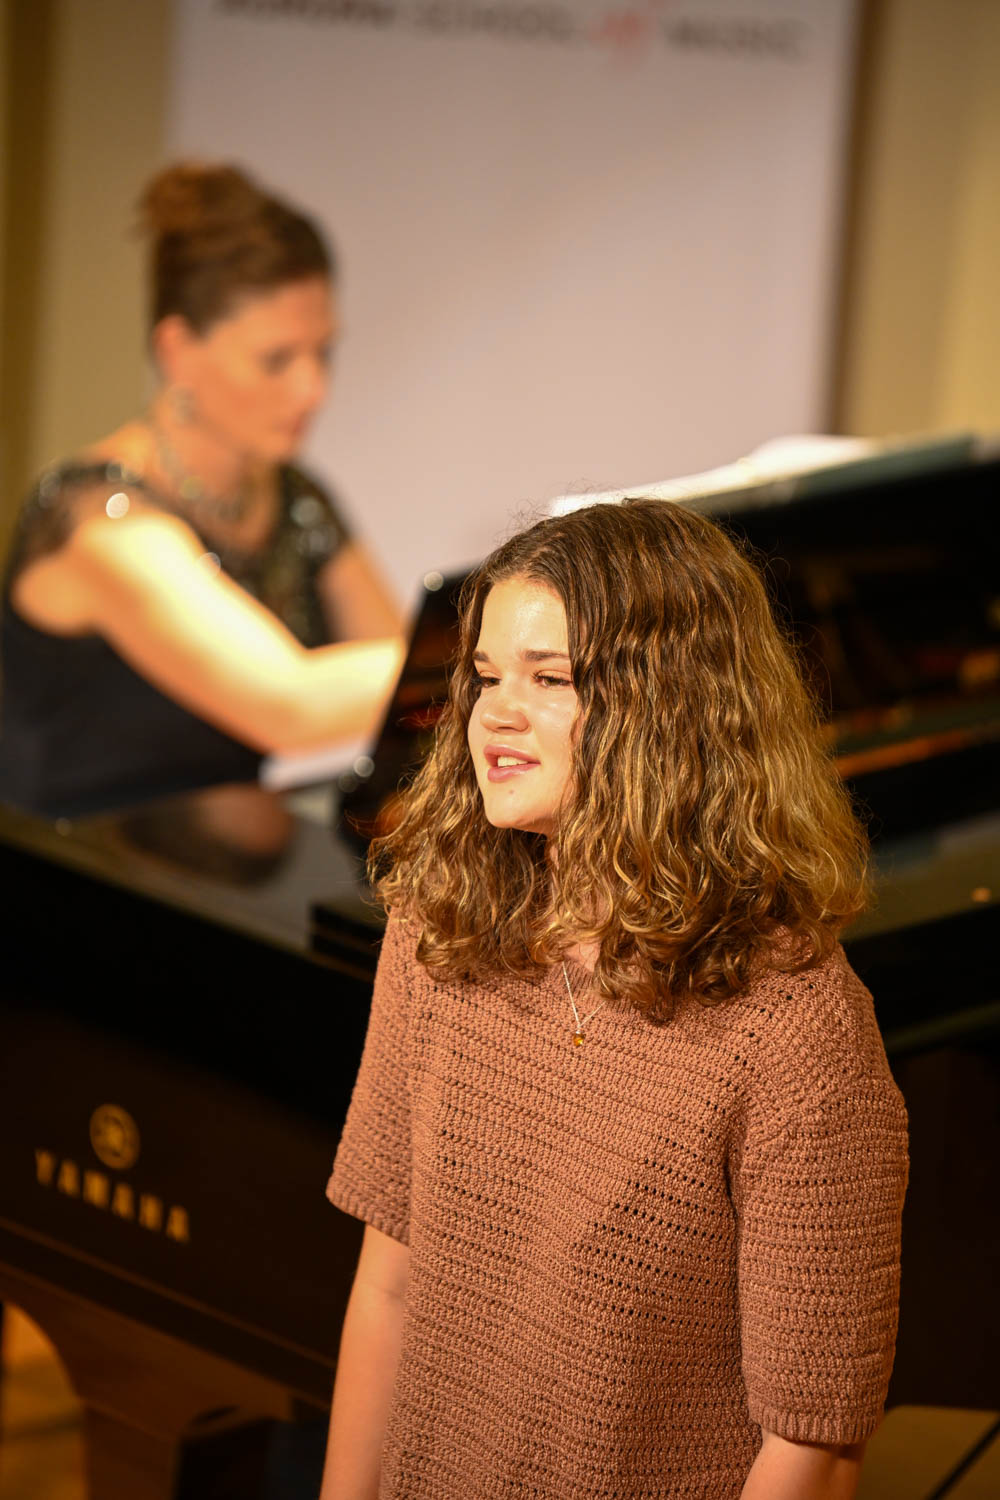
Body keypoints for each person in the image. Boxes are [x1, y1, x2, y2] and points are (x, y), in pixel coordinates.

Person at [321, 498, 909, 1499]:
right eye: (486, 676)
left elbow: (810, 1444)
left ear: (668, 710)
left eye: (549, 679)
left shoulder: (796, 1036)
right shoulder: (436, 924)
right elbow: (390, 1283)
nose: (495, 714)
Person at [0, 162, 403, 824]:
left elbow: (404, 690)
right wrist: (503, 655)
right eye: (277, 359)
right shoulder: (103, 526)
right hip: (71, 876)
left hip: (228, 879)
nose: (313, 390)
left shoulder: (298, 499)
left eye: (323, 353)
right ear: (178, 351)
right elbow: (291, 706)